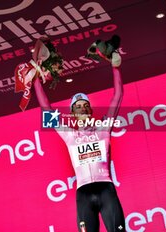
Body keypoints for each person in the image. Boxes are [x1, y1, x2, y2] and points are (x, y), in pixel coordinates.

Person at [34, 48, 125, 231]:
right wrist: (35, 77)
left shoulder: (103, 128)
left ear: (90, 110)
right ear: (73, 114)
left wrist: (115, 67)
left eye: (85, 106)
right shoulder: (69, 135)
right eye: (77, 107)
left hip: (106, 190)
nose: (82, 109)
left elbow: (118, 96)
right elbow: (46, 109)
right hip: (83, 194)